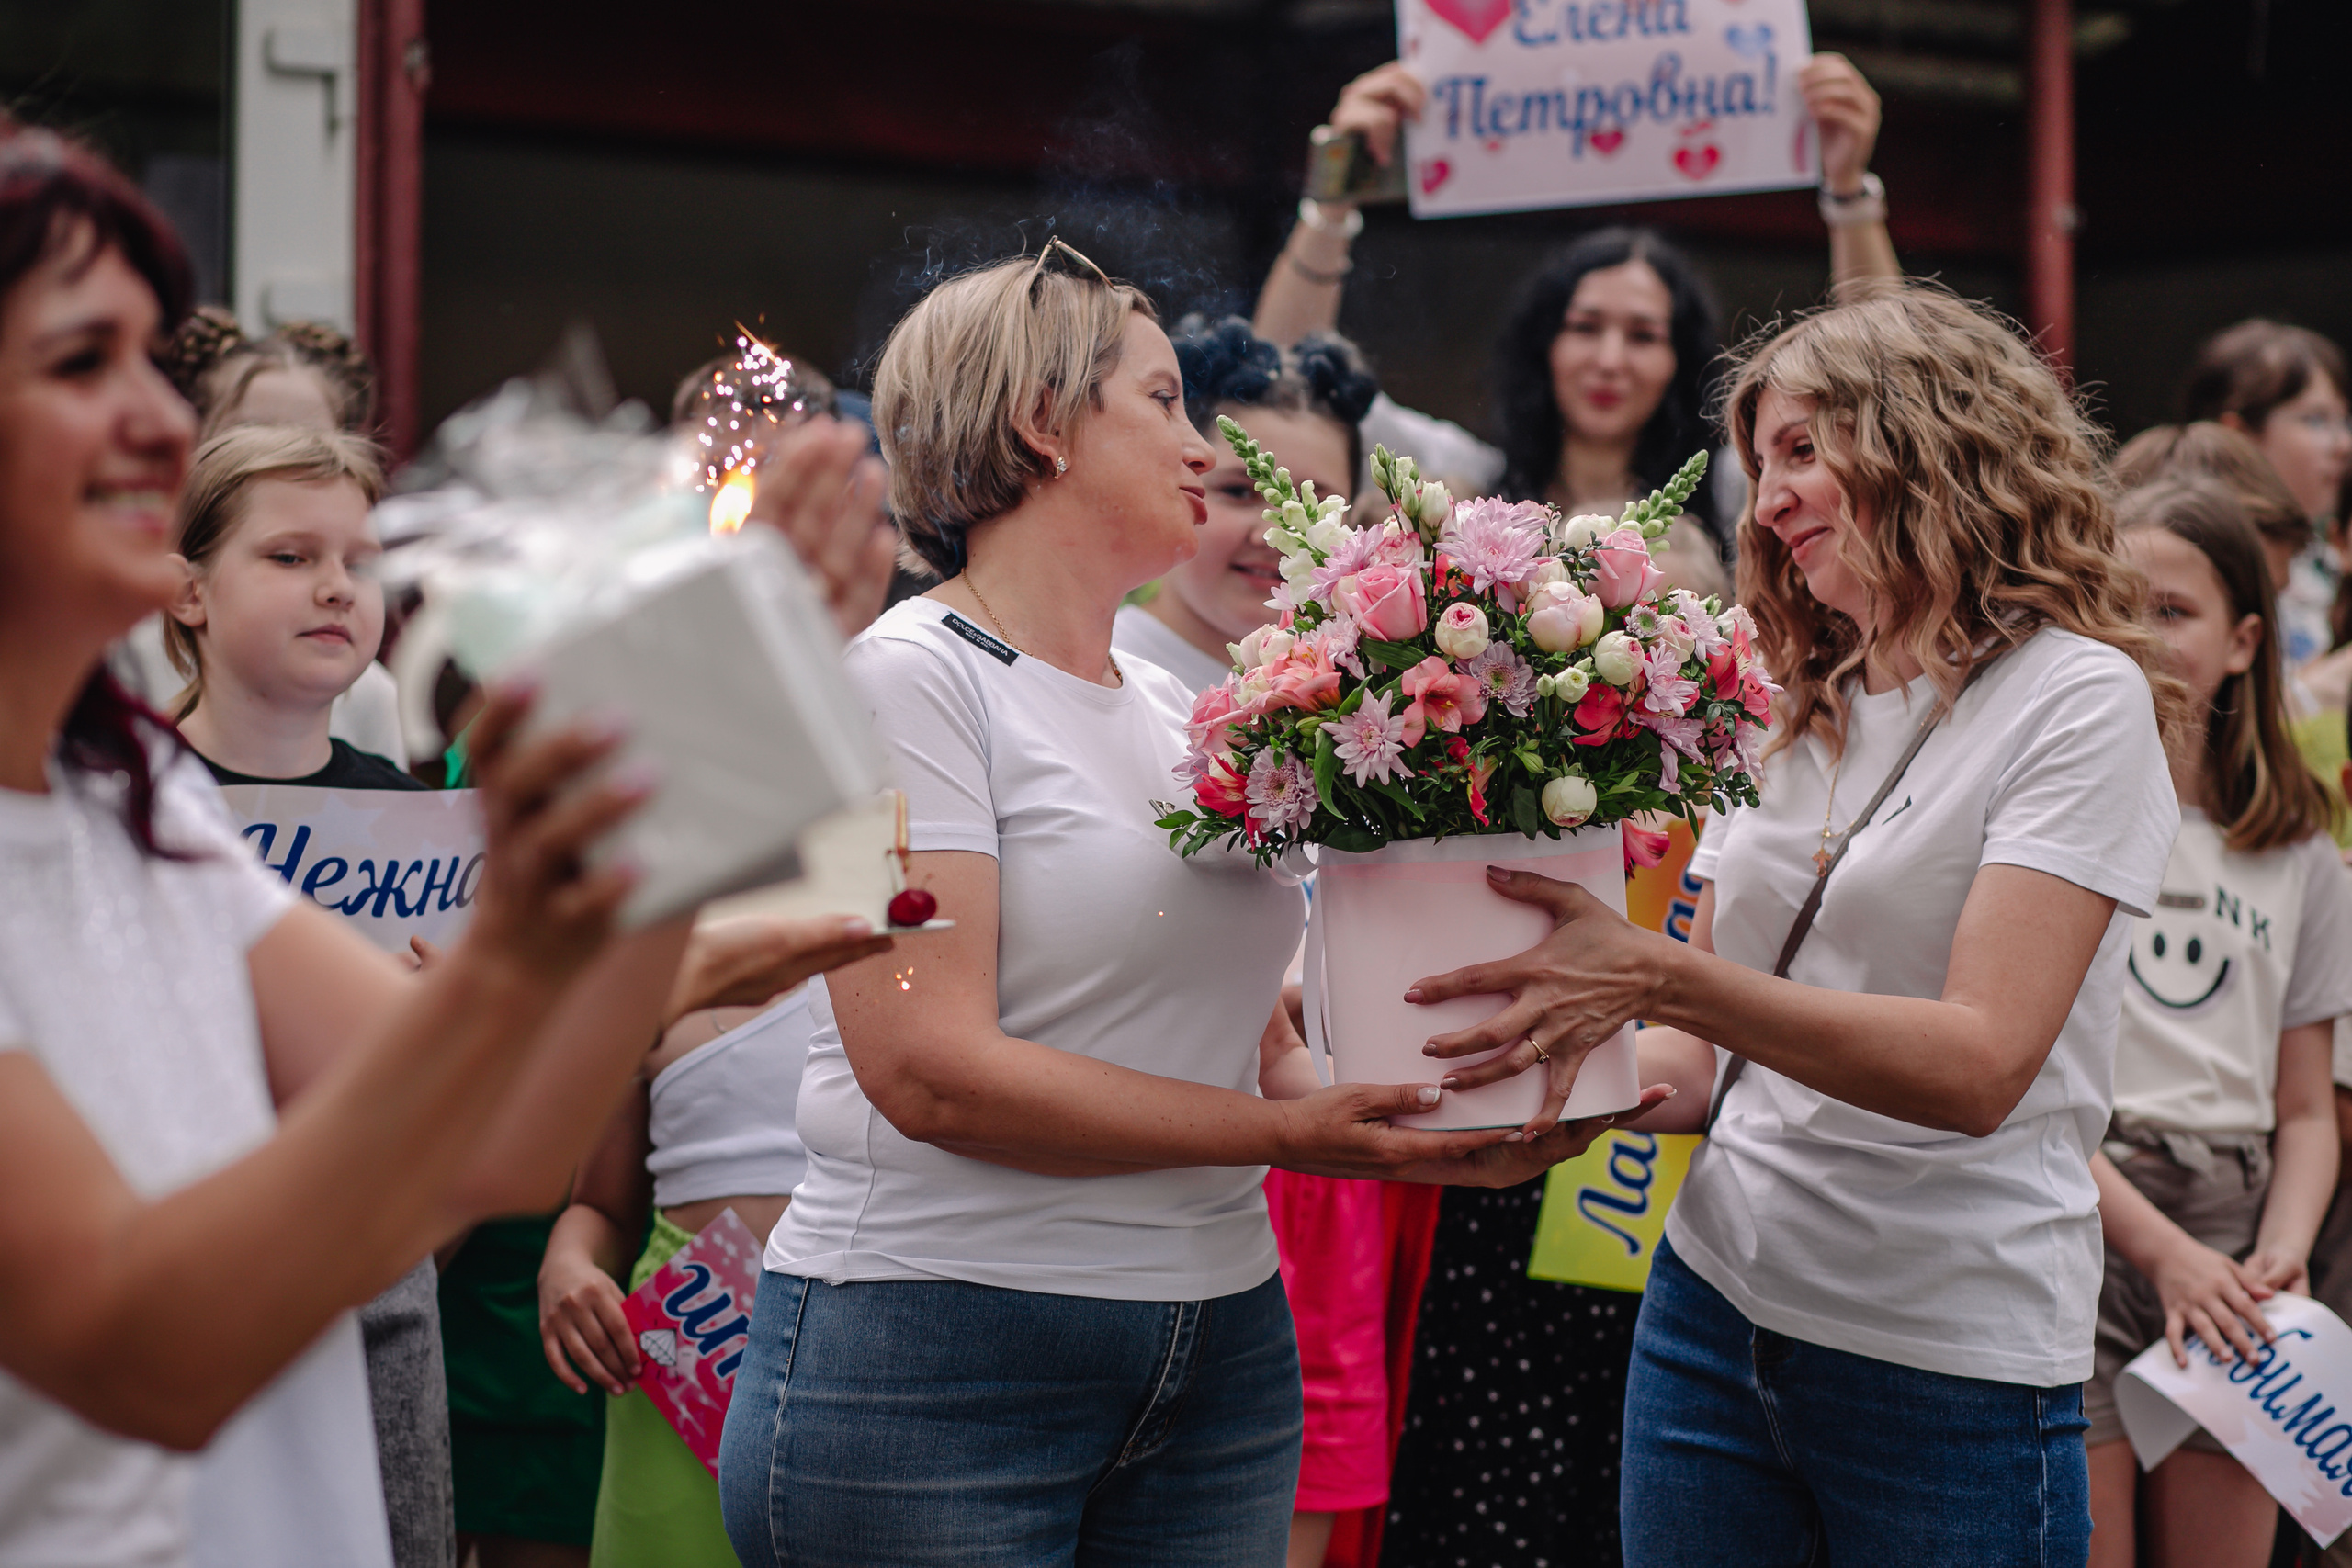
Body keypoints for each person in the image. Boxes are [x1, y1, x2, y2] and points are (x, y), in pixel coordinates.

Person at [716, 243, 1634, 1568]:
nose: (1208, 448)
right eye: (1163, 403)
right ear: (1042, 423)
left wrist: (1420, 1119)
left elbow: (1241, 1017)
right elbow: (926, 1070)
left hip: (1219, 1349)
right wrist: (1298, 1135)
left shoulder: (1180, 709)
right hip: (933, 1355)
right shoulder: (892, 678)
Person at [1401, 284, 2184, 1564]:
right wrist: (1536, 1090)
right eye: (1762, 464)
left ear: (1931, 442)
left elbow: (1980, 1062)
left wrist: (1651, 973)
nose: (1765, 500)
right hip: (1708, 1318)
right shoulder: (1780, 693)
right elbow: (1696, 1062)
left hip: (1947, 1362)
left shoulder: (2075, 697)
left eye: (1804, 453)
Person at [0, 117, 684, 1568]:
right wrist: (509, 962)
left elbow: (501, 1144)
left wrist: (679, 817)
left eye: (150, 362)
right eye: (80, 362)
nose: (153, 418)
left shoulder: (149, 816)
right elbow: (151, 1351)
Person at [1249, 54, 1897, 1568]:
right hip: (1487, 1007)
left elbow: (1885, 384)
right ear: (1544, 340)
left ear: (1682, 361)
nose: (1612, 353)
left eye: (1647, 330)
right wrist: (1338, 189)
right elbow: (1278, 396)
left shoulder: (1748, 529)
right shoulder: (1459, 493)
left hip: (1687, 1001)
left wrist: (1850, 194)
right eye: (1587, 322)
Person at [1113, 314, 1424, 1568]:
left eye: (1314, 497)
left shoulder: (1394, 688)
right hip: (1145, 1170)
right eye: (1238, 486)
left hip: (1334, 1173)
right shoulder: (1098, 669)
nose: (1269, 527)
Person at [158, 420, 462, 1568]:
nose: (337, 588)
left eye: (361, 560)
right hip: (185, 1267)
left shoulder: (415, 809)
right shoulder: (124, 798)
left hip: (385, 1276)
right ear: (189, 591)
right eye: (289, 558)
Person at [2080, 479, 2352, 1568]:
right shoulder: (2051, 824)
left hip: (2240, 1235)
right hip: (2082, 1210)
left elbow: (2307, 1109)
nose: (2141, 639)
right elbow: (2022, 1086)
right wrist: (2159, 1249)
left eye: (2173, 612)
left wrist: (2277, 1251)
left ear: (2246, 640)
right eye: (2118, 607)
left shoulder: (2300, 856)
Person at [536, 987, 886, 1568]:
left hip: (869, 1343)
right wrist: (566, 1262)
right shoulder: (661, 984)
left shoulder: (910, 971)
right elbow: (600, 1207)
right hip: (683, 1352)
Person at [2180, 321, 2352, 671]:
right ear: (2237, 433)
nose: (2344, 445)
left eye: (2345, 421)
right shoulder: (2190, 557)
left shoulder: (2326, 556)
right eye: (2316, 420)